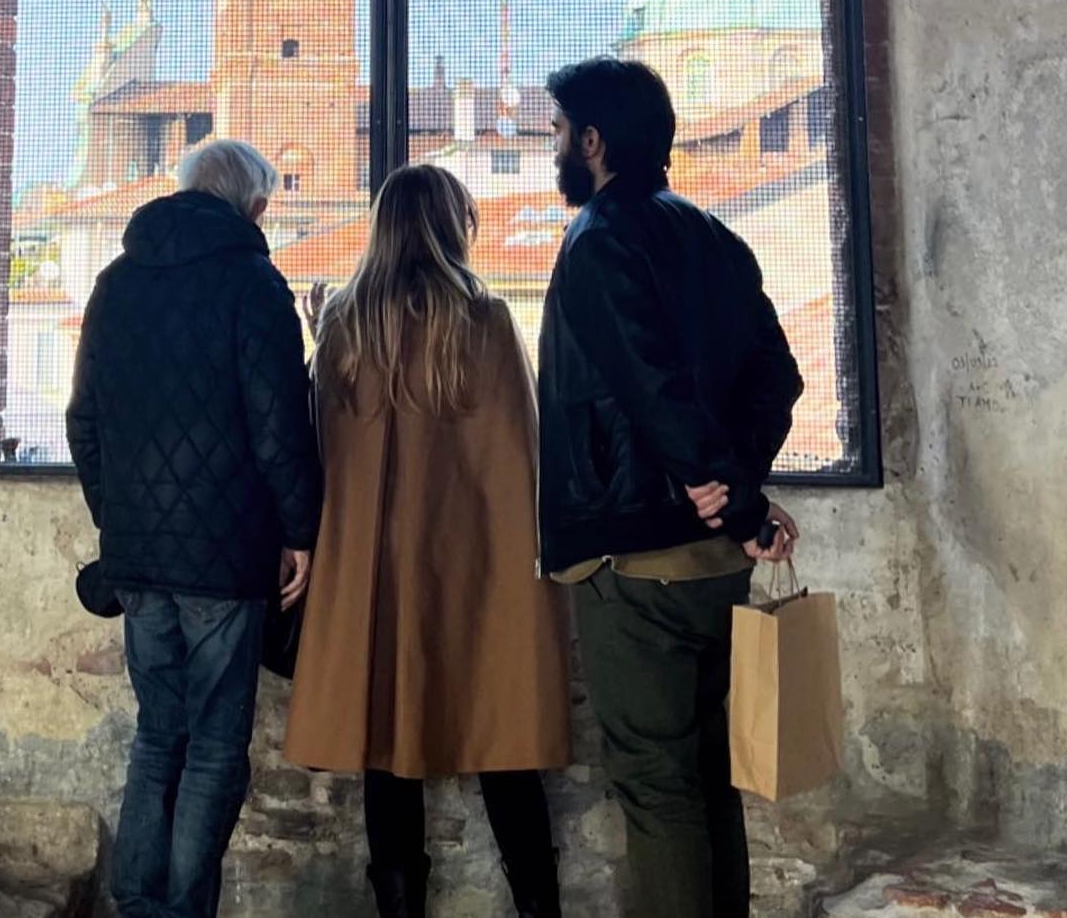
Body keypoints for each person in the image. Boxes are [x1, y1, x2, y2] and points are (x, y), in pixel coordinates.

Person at [536, 57, 805, 918]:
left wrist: (722, 485)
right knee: (709, 780)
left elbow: (652, 386)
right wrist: (737, 491)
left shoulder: (596, 242)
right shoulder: (715, 236)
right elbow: (780, 375)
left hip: (635, 558)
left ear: (594, 139)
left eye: (555, 131)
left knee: (658, 789)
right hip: (716, 561)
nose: (552, 149)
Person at [284, 164, 570, 918]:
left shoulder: (345, 325)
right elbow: (519, 454)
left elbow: (324, 451)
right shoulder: (484, 319)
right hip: (473, 567)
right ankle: (541, 908)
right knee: (505, 740)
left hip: (373, 574)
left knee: (387, 747)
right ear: (454, 226)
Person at [67, 139, 321, 918]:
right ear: (256, 207)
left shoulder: (115, 283)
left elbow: (83, 421)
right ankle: (180, 910)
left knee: (157, 738)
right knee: (212, 747)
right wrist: (303, 531)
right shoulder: (254, 284)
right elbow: (280, 430)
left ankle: (138, 904)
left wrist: (123, 519)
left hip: (138, 560)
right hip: (227, 559)